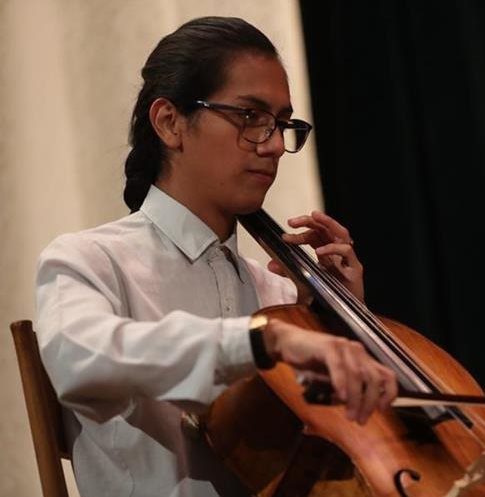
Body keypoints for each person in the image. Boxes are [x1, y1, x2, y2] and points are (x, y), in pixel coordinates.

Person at [34, 16, 397, 497]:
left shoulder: (283, 297)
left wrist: (345, 320)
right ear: (169, 122)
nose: (271, 146)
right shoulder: (91, 261)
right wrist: (260, 343)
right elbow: (78, 359)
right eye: (249, 117)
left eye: (280, 124)